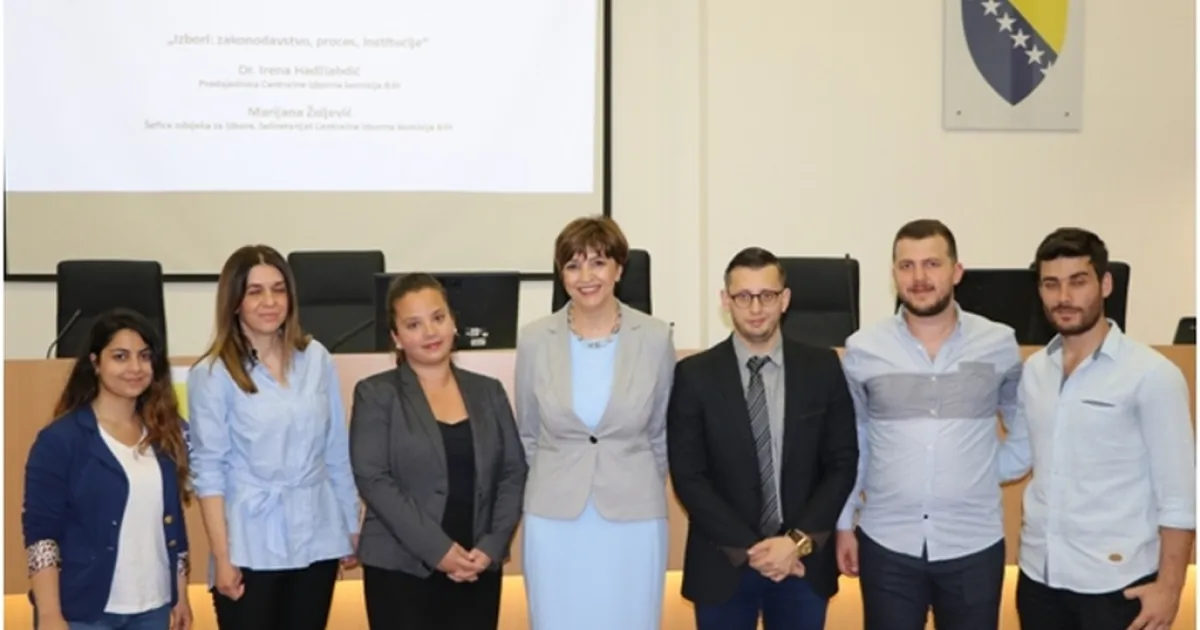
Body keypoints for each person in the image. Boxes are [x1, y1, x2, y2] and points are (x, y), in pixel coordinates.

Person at [834, 219, 1031, 630]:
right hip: (887, 543)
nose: (919, 277)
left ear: (956, 271)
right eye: (906, 266)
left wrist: (991, 468)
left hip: (973, 543)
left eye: (932, 264)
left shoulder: (998, 342)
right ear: (893, 274)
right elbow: (856, 439)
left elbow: (1024, 418)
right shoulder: (864, 348)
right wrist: (844, 522)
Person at [667, 247, 859, 630]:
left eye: (767, 296)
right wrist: (753, 550)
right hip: (723, 563)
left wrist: (795, 542)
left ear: (784, 299)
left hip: (802, 563)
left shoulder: (822, 367)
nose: (755, 308)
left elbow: (841, 464)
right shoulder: (694, 375)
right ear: (726, 301)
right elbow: (689, 475)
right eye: (743, 296)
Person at [1016, 228, 1196, 630]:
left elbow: (1180, 494)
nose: (1064, 297)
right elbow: (1025, 457)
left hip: (1116, 588)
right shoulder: (1034, 372)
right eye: (1052, 284)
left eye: (1078, 282)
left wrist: (1169, 588)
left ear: (1105, 283)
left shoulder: (1151, 375)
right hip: (1038, 579)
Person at [515, 216, 676, 629]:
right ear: (561, 274)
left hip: (633, 514)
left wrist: (632, 479)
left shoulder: (655, 337)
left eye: (598, 263)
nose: (586, 276)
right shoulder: (534, 338)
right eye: (572, 265)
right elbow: (528, 433)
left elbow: (659, 432)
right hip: (554, 514)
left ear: (619, 269)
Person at [187, 244, 360, 630]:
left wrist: (350, 524)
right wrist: (223, 557)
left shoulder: (316, 358)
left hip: (317, 532)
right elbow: (209, 472)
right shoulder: (213, 373)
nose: (270, 301)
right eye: (255, 291)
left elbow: (335, 449)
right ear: (234, 301)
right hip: (250, 544)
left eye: (279, 289)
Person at [348, 273, 528, 630]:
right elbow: (374, 479)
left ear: (453, 322)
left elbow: (513, 472)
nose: (430, 332)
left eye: (438, 317)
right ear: (396, 337)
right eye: (413, 324)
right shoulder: (376, 394)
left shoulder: (488, 392)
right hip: (401, 572)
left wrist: (492, 546)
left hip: (477, 568)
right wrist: (439, 552)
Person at [23, 308, 193, 630]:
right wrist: (49, 615)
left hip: (155, 608)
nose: (135, 368)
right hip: (84, 612)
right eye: (120, 356)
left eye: (144, 357)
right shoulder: (60, 440)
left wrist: (180, 595)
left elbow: (174, 526)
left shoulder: (163, 435)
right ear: (95, 363)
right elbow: (42, 536)